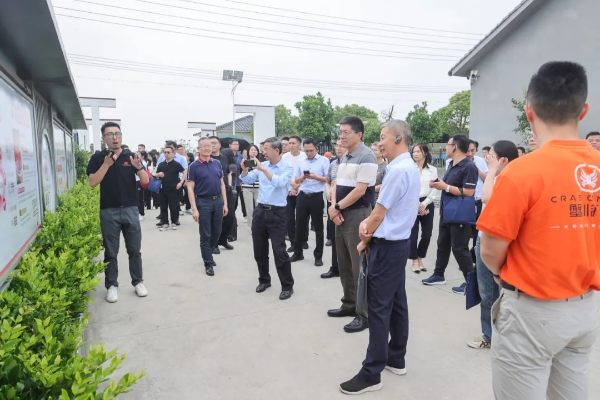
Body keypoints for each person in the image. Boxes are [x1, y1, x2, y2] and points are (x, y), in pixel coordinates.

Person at [478, 61, 600, 400]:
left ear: (529, 112)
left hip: (532, 312)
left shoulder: (521, 172)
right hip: (586, 309)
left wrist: (500, 275)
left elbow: (490, 249)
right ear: (584, 110)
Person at [339, 120, 419, 395]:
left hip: (387, 248)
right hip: (398, 244)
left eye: (383, 137)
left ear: (399, 139)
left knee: (378, 308)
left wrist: (365, 234)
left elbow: (378, 213)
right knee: (397, 303)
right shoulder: (408, 167)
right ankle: (396, 357)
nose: (380, 143)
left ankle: (371, 372)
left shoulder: (397, 170)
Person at [86, 121, 148, 303]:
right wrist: (106, 164)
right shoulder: (98, 158)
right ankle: (112, 285)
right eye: (110, 134)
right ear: (103, 138)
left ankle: (138, 282)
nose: (115, 138)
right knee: (111, 252)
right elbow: (92, 183)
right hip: (109, 211)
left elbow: (145, 181)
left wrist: (138, 167)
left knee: (134, 250)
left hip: (130, 210)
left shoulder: (131, 156)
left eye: (117, 134)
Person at [328, 116, 378, 334]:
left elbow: (360, 190)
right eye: (340, 132)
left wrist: (337, 207)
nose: (342, 136)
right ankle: (348, 303)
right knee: (344, 263)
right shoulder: (345, 156)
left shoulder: (367, 156)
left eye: (346, 132)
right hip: (341, 214)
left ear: (359, 134)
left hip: (358, 215)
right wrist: (334, 208)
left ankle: (364, 314)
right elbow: (337, 184)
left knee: (359, 266)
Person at [467, 140, 518, 350]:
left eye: (492, 157)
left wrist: (491, 171)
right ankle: (497, 334)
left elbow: (487, 198)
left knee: (489, 292)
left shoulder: (504, 178)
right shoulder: (508, 177)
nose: (488, 159)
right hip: (494, 240)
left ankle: (489, 336)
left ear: (503, 160)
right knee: (495, 292)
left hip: (493, 241)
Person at [422, 134, 477, 294]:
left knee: (459, 249)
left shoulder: (469, 166)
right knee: (442, 245)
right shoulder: (452, 164)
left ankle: (471, 283)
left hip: (459, 214)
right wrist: (438, 184)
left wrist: (445, 187)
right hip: (447, 212)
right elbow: (448, 185)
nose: (446, 147)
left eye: (448, 144)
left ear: (455, 147)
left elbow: (469, 192)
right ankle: (439, 274)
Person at [241, 137, 295, 300]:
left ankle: (287, 285)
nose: (263, 152)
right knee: (259, 249)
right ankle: (264, 280)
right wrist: (244, 170)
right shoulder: (262, 165)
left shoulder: (286, 167)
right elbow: (247, 179)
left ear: (276, 151)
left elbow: (279, 183)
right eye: (263, 149)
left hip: (277, 212)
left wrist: (263, 170)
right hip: (260, 211)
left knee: (279, 251)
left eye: (266, 149)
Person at [187, 138, 228, 277]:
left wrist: (225, 203)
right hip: (203, 202)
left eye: (209, 146)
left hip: (218, 201)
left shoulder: (217, 163)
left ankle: (208, 254)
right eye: (204, 146)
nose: (207, 148)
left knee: (217, 232)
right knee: (206, 234)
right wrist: (194, 209)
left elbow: (222, 184)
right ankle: (208, 263)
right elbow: (190, 188)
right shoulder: (194, 166)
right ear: (198, 149)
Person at [290, 138, 330, 267]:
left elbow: (327, 179)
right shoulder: (301, 161)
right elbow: (295, 180)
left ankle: (318, 256)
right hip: (302, 195)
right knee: (299, 225)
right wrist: (301, 177)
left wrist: (315, 177)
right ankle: (298, 253)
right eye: (306, 151)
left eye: (311, 150)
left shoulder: (324, 161)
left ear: (316, 148)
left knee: (318, 228)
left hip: (316, 197)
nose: (308, 153)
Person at [408, 144, 437, 274]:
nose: (415, 154)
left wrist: (424, 204)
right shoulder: (410, 169)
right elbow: (408, 188)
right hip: (412, 202)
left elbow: (434, 188)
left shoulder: (432, 170)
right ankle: (414, 260)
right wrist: (416, 204)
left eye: (418, 151)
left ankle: (420, 258)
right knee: (413, 235)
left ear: (424, 153)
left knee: (426, 234)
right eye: (413, 152)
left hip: (427, 202)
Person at [323, 139, 345, 279]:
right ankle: (335, 267)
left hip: (344, 205)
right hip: (332, 203)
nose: (338, 148)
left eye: (341, 146)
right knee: (335, 238)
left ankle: (347, 269)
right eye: (337, 145)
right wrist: (327, 191)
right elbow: (328, 181)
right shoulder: (333, 163)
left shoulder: (351, 164)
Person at [282, 136, 307, 253]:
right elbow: (283, 174)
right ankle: (293, 242)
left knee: (302, 218)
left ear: (299, 144)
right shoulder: (285, 157)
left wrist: (297, 187)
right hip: (288, 191)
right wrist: (292, 186)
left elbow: (306, 174)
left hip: (302, 191)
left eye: (293, 143)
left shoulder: (304, 156)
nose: (291, 145)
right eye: (289, 143)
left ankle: (303, 240)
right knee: (289, 218)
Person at [467, 140, 489, 263]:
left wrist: (477, 170)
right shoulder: (456, 162)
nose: (470, 153)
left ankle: (475, 257)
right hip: (465, 200)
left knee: (477, 230)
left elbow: (487, 178)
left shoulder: (481, 161)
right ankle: (466, 259)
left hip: (478, 200)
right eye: (468, 150)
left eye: (473, 150)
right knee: (465, 231)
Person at [156, 145, 185, 231]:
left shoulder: (176, 164)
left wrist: (181, 182)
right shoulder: (161, 164)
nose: (166, 154)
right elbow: (155, 174)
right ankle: (165, 222)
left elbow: (185, 172)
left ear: (173, 153)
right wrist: (158, 175)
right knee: (163, 206)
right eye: (165, 152)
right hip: (162, 188)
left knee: (173, 207)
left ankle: (174, 221)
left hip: (173, 189)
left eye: (168, 152)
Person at [216, 148, 238, 252]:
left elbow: (228, 173)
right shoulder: (208, 159)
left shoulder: (224, 158)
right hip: (214, 191)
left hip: (226, 190)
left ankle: (223, 240)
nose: (213, 146)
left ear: (219, 145)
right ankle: (214, 243)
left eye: (215, 143)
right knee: (216, 219)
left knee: (230, 216)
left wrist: (229, 186)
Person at [229, 139, 246, 238]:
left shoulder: (240, 157)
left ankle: (233, 218)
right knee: (231, 203)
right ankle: (232, 220)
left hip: (238, 182)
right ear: (230, 145)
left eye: (237, 144)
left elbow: (243, 169)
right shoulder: (227, 156)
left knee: (235, 203)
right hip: (230, 183)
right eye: (234, 144)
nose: (237, 146)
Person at [241, 144, 261, 228]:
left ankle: (259, 226)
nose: (253, 152)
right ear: (248, 152)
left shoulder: (261, 162)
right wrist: (244, 168)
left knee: (259, 208)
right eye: (251, 150)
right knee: (249, 209)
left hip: (258, 188)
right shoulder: (245, 162)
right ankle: (252, 227)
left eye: (255, 150)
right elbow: (242, 175)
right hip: (247, 187)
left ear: (258, 152)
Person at [136, 150, 148, 221]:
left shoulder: (143, 163)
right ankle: (138, 213)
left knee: (139, 198)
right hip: (134, 181)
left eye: (139, 155)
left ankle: (141, 213)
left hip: (139, 181)